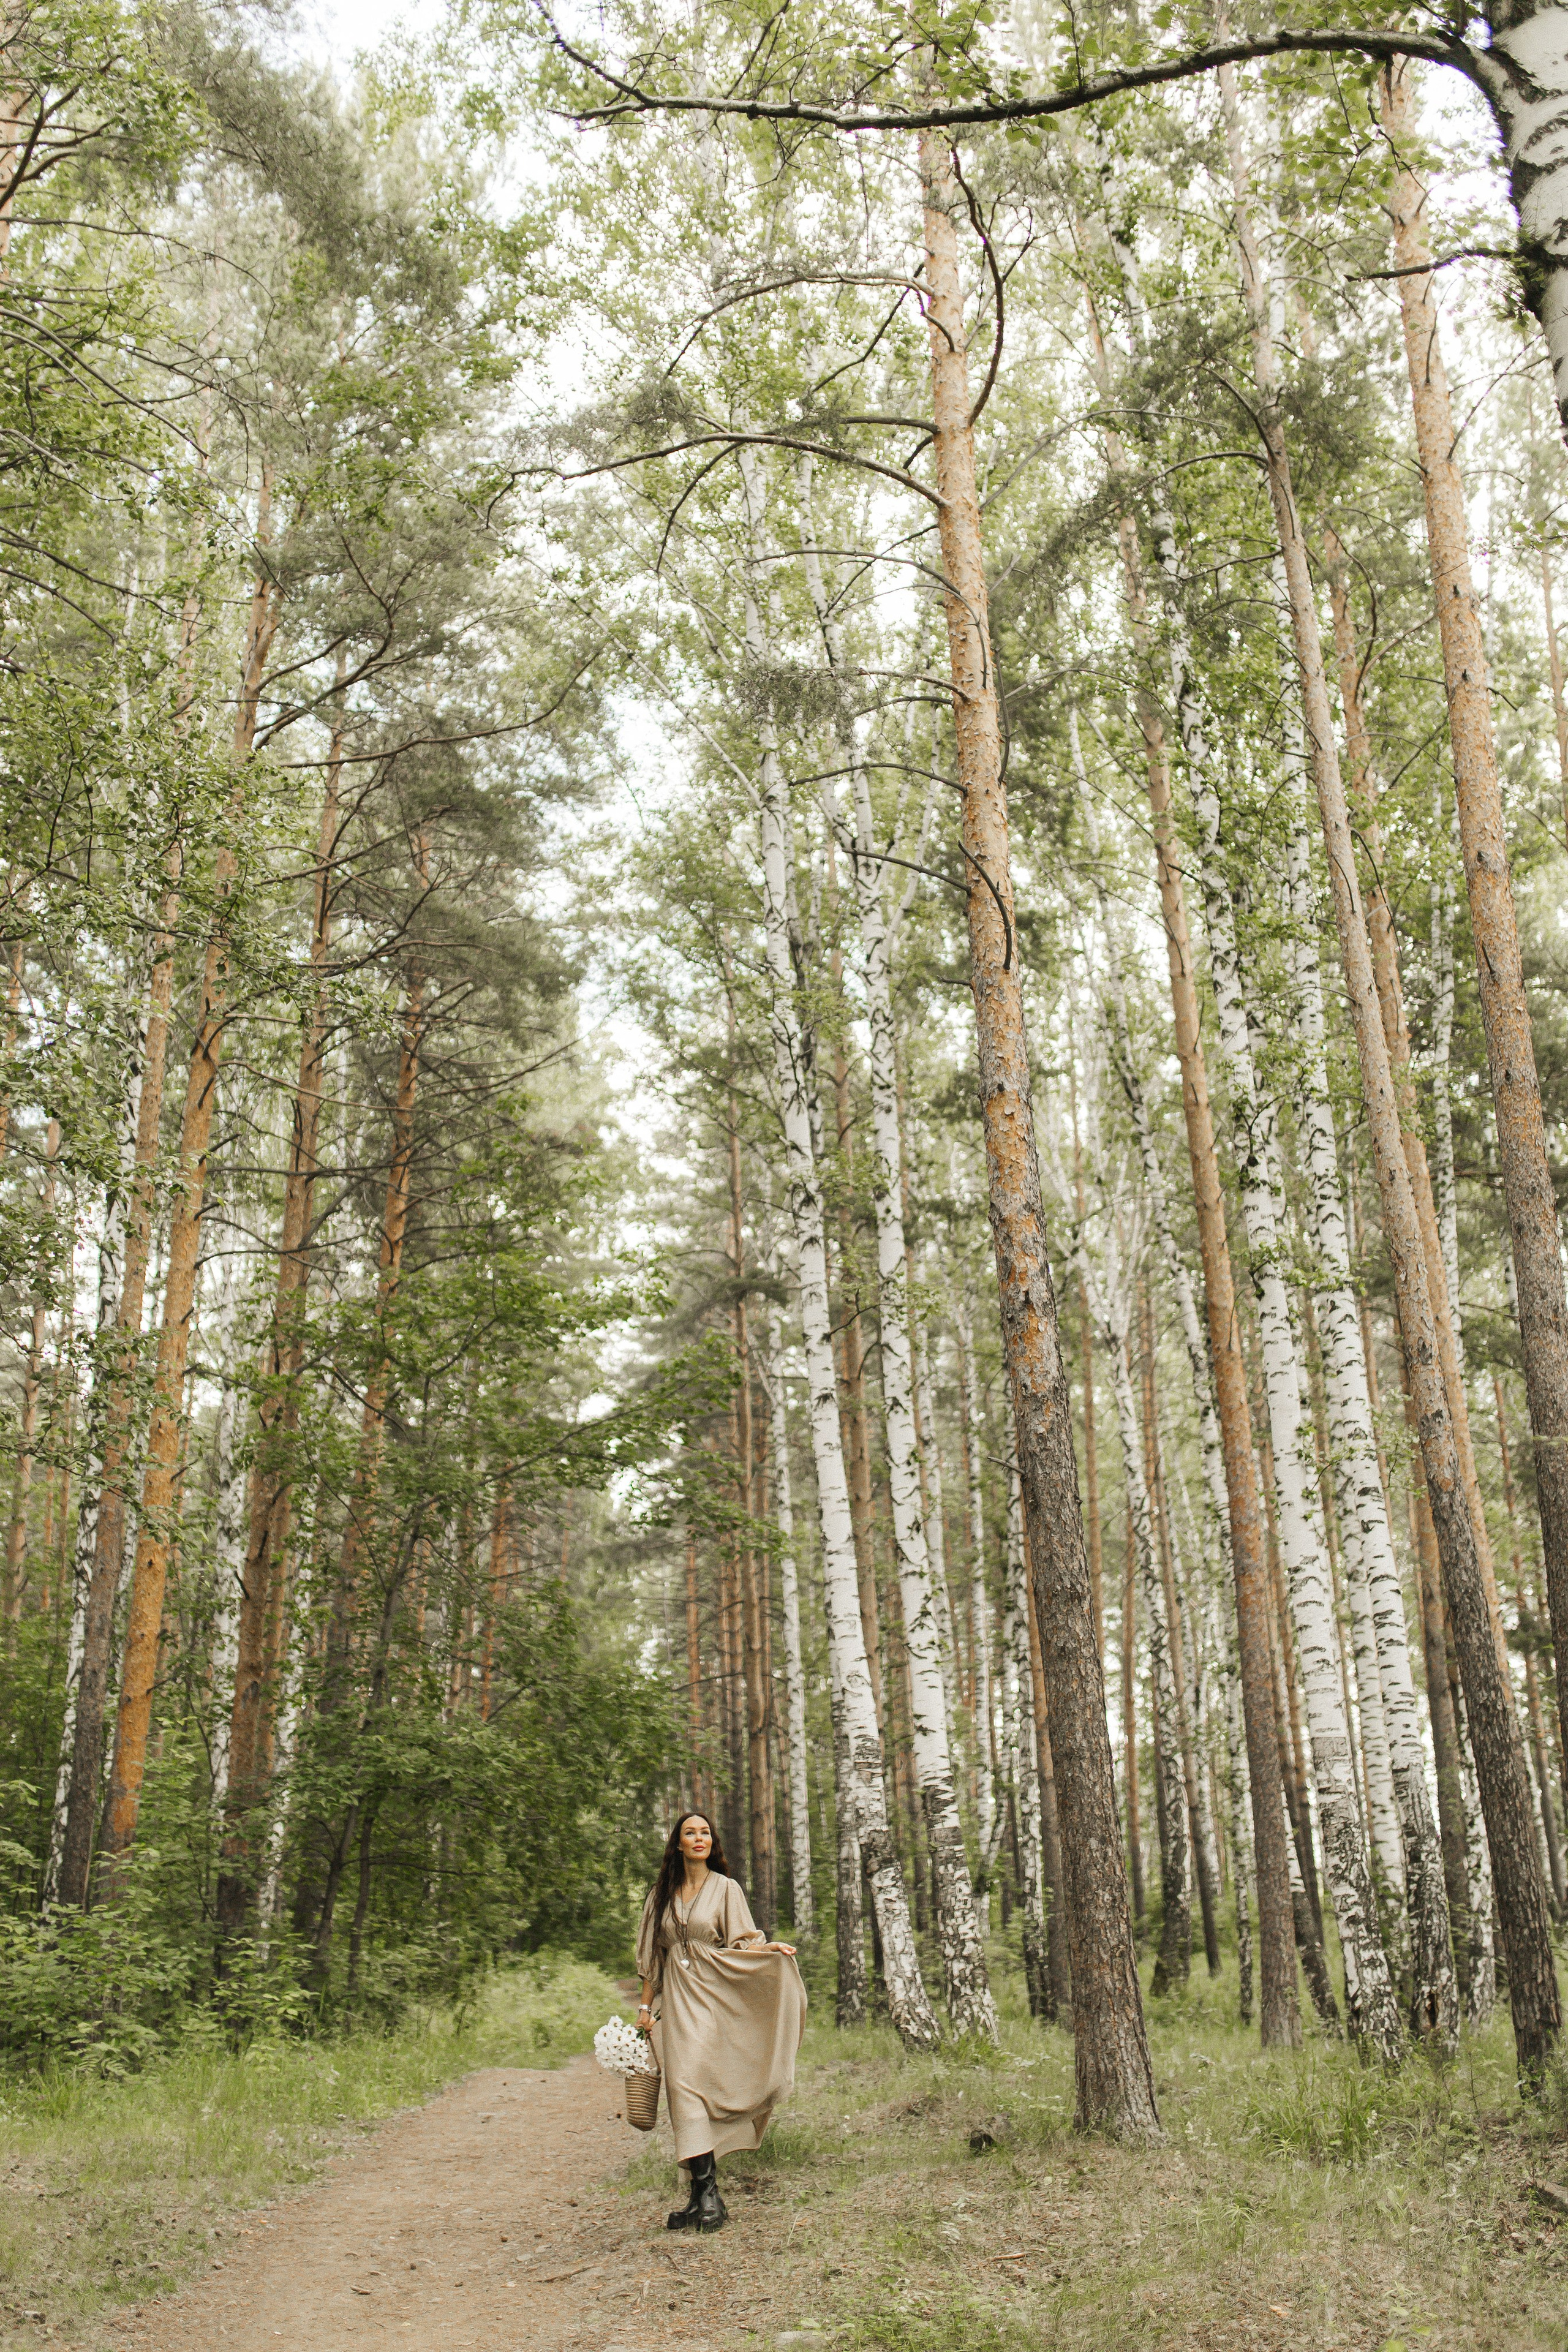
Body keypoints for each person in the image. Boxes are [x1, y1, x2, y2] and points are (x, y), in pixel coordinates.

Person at [634, 1811, 806, 2233]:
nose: (699, 1838)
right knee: (682, 2088)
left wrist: (768, 1952)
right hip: (677, 1997)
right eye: (690, 1833)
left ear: (712, 1842)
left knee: (699, 2082)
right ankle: (702, 2194)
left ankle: (706, 2195)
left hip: (715, 1994)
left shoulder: (726, 1889)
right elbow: (652, 1960)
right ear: (677, 1843)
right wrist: (643, 2009)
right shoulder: (660, 1895)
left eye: (705, 1832)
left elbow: (743, 1941)